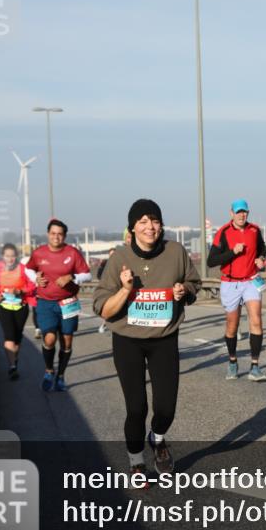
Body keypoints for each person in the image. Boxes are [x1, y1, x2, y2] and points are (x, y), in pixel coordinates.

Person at [94, 199, 201, 484]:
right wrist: (126, 289)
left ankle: (158, 437)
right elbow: (103, 308)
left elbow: (194, 283)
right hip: (128, 340)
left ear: (161, 224)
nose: (149, 227)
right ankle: (136, 461)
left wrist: (184, 290)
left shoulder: (176, 251)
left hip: (164, 338)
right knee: (136, 407)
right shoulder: (120, 258)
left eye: (154, 220)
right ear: (131, 228)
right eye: (142, 221)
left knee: (166, 408)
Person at [207, 200, 266, 382]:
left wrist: (261, 258)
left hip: (251, 281)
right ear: (231, 214)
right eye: (238, 212)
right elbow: (211, 261)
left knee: (256, 320)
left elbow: (262, 248)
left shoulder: (255, 230)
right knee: (232, 326)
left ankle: (255, 366)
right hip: (230, 283)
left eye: (245, 212)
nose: (242, 215)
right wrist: (233, 252)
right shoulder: (223, 232)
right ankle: (233, 361)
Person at [26, 219, 92, 391]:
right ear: (48, 234)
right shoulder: (39, 253)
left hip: (68, 302)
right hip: (46, 303)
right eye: (53, 233)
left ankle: (61, 375)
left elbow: (87, 275)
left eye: (60, 234)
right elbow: (28, 268)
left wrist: (72, 277)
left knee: (67, 342)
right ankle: (49, 370)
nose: (56, 237)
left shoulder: (72, 253)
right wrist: (35, 279)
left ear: (64, 236)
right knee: (49, 338)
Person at [0, 244, 37, 380]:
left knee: (17, 337)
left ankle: (14, 360)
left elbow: (32, 285)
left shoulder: (23, 269)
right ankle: (12, 367)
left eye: (12, 256)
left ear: (16, 256)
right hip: (4, 306)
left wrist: (19, 291)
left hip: (20, 306)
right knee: (9, 337)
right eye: (7, 256)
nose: (10, 259)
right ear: (3, 256)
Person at [97, 247, 116, 334]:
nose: (112, 256)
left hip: (118, 289)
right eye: (111, 254)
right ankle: (104, 324)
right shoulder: (105, 264)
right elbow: (99, 276)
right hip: (108, 289)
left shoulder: (121, 262)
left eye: (114, 254)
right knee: (108, 308)